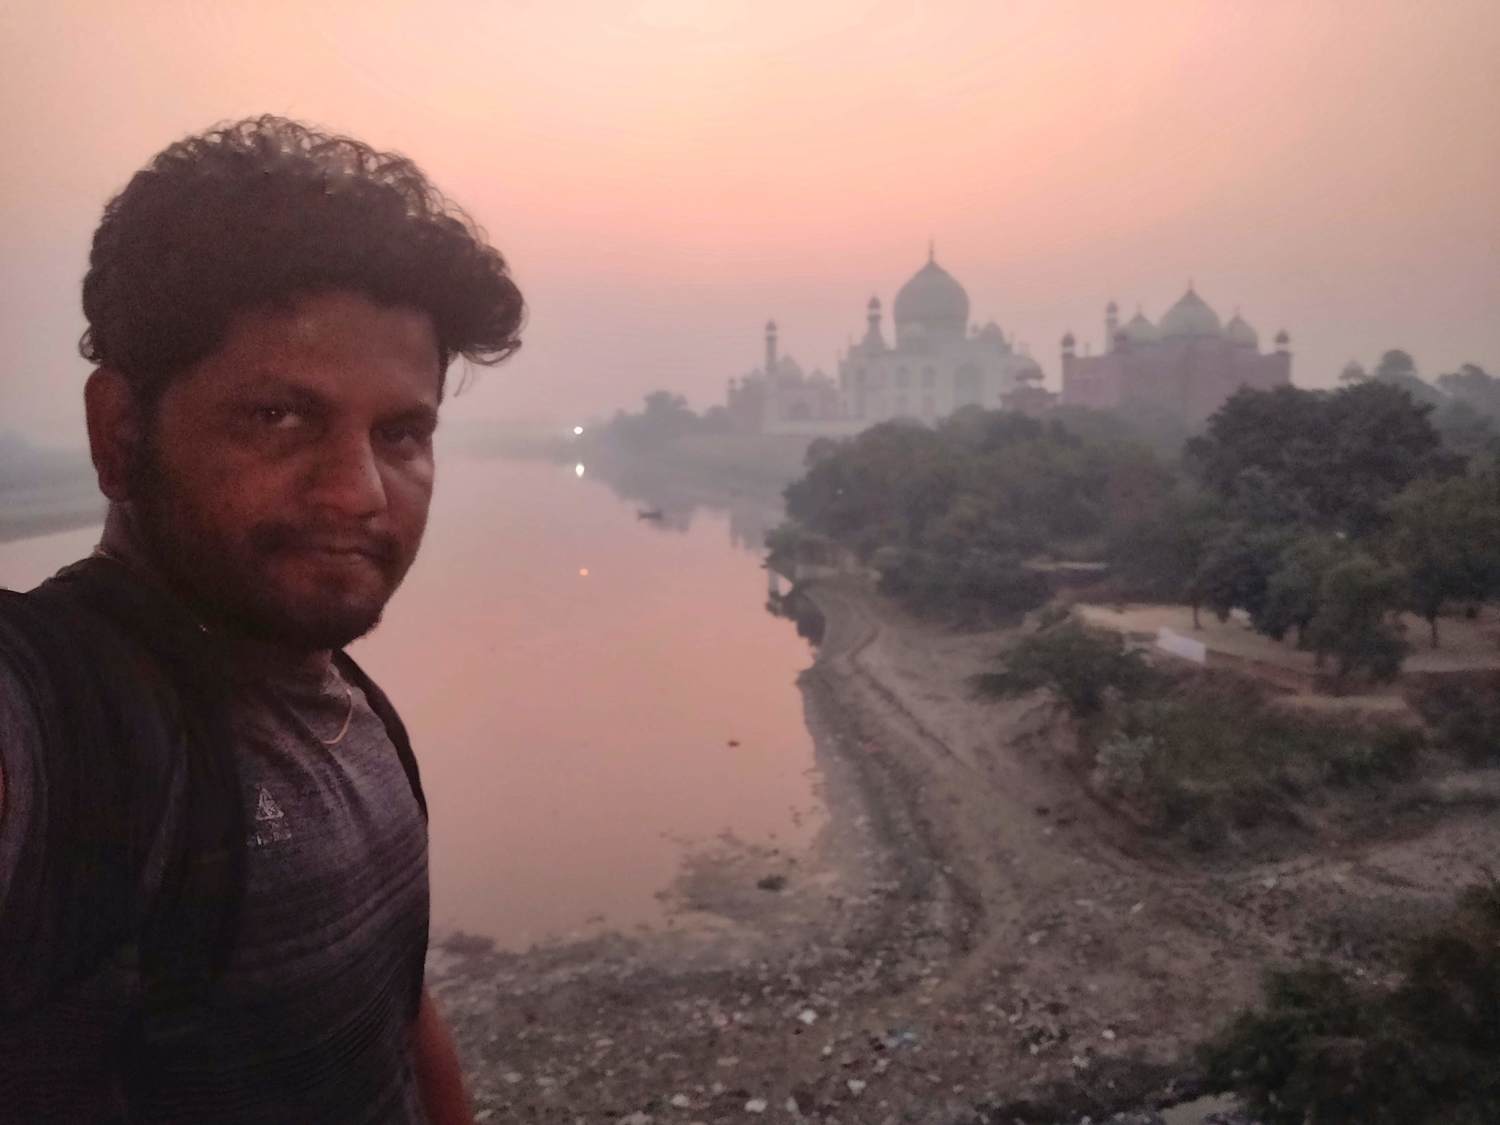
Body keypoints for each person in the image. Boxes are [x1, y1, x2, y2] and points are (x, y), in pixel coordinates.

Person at [0, 116, 524, 1123]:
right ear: (120, 433)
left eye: (401, 432)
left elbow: (396, 1011)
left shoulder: (347, 700)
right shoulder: (70, 723)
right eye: (279, 417)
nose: (359, 493)